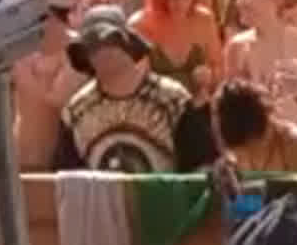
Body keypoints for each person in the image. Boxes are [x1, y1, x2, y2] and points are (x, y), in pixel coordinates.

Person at [60, 10, 218, 172]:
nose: (101, 51)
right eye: (92, 46)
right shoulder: (76, 112)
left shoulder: (173, 101)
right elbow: (67, 180)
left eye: (108, 41)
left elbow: (202, 170)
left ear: (127, 43)